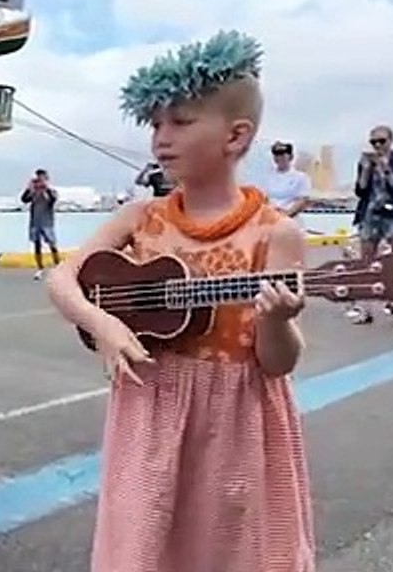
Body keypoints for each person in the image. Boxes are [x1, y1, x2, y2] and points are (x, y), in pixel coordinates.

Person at [46, 30, 315, 572]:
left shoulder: (275, 234)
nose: (160, 139)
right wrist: (103, 325)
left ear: (236, 136)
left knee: (232, 545)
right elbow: (62, 277)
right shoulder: (140, 217)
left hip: (235, 418)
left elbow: (277, 362)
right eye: (155, 124)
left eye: (181, 122)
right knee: (144, 543)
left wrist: (279, 321)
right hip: (150, 407)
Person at [347, 125, 393, 328]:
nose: (377, 146)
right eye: (373, 142)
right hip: (370, 215)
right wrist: (365, 170)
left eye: (381, 141)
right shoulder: (367, 162)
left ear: (391, 141)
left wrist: (385, 167)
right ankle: (366, 310)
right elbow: (360, 191)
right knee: (367, 263)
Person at [21, 168, 60, 279]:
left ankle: (58, 266)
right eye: (38, 177)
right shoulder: (34, 192)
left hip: (47, 222)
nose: (39, 180)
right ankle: (40, 268)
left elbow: (53, 199)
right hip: (35, 222)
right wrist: (29, 188)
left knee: (52, 244)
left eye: (42, 177)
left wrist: (46, 188)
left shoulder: (51, 191)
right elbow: (24, 199)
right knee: (37, 245)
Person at [262, 140, 312, 219]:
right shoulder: (267, 176)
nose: (279, 158)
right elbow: (264, 198)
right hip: (270, 216)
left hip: (291, 218)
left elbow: (302, 200)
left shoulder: (301, 177)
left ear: (290, 157)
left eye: (282, 155)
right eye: (276, 155)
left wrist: (287, 215)